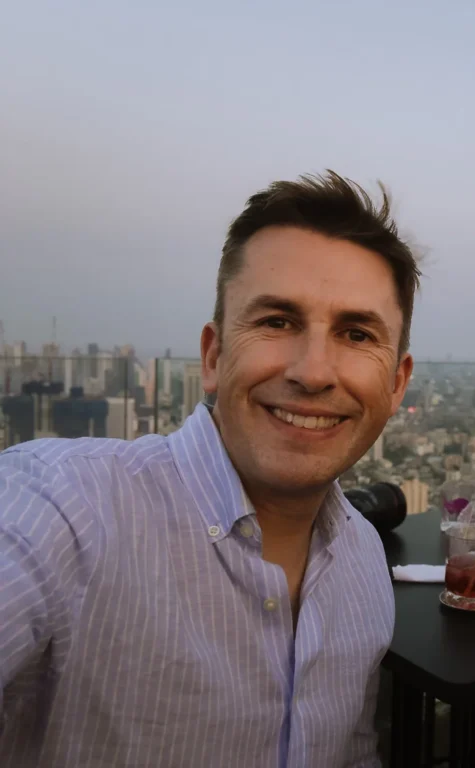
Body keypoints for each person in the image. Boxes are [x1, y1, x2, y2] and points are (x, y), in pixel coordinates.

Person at [0, 171, 418, 767]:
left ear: (397, 383)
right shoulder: (66, 507)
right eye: (277, 321)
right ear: (215, 356)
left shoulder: (363, 561)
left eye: (356, 333)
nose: (314, 371)